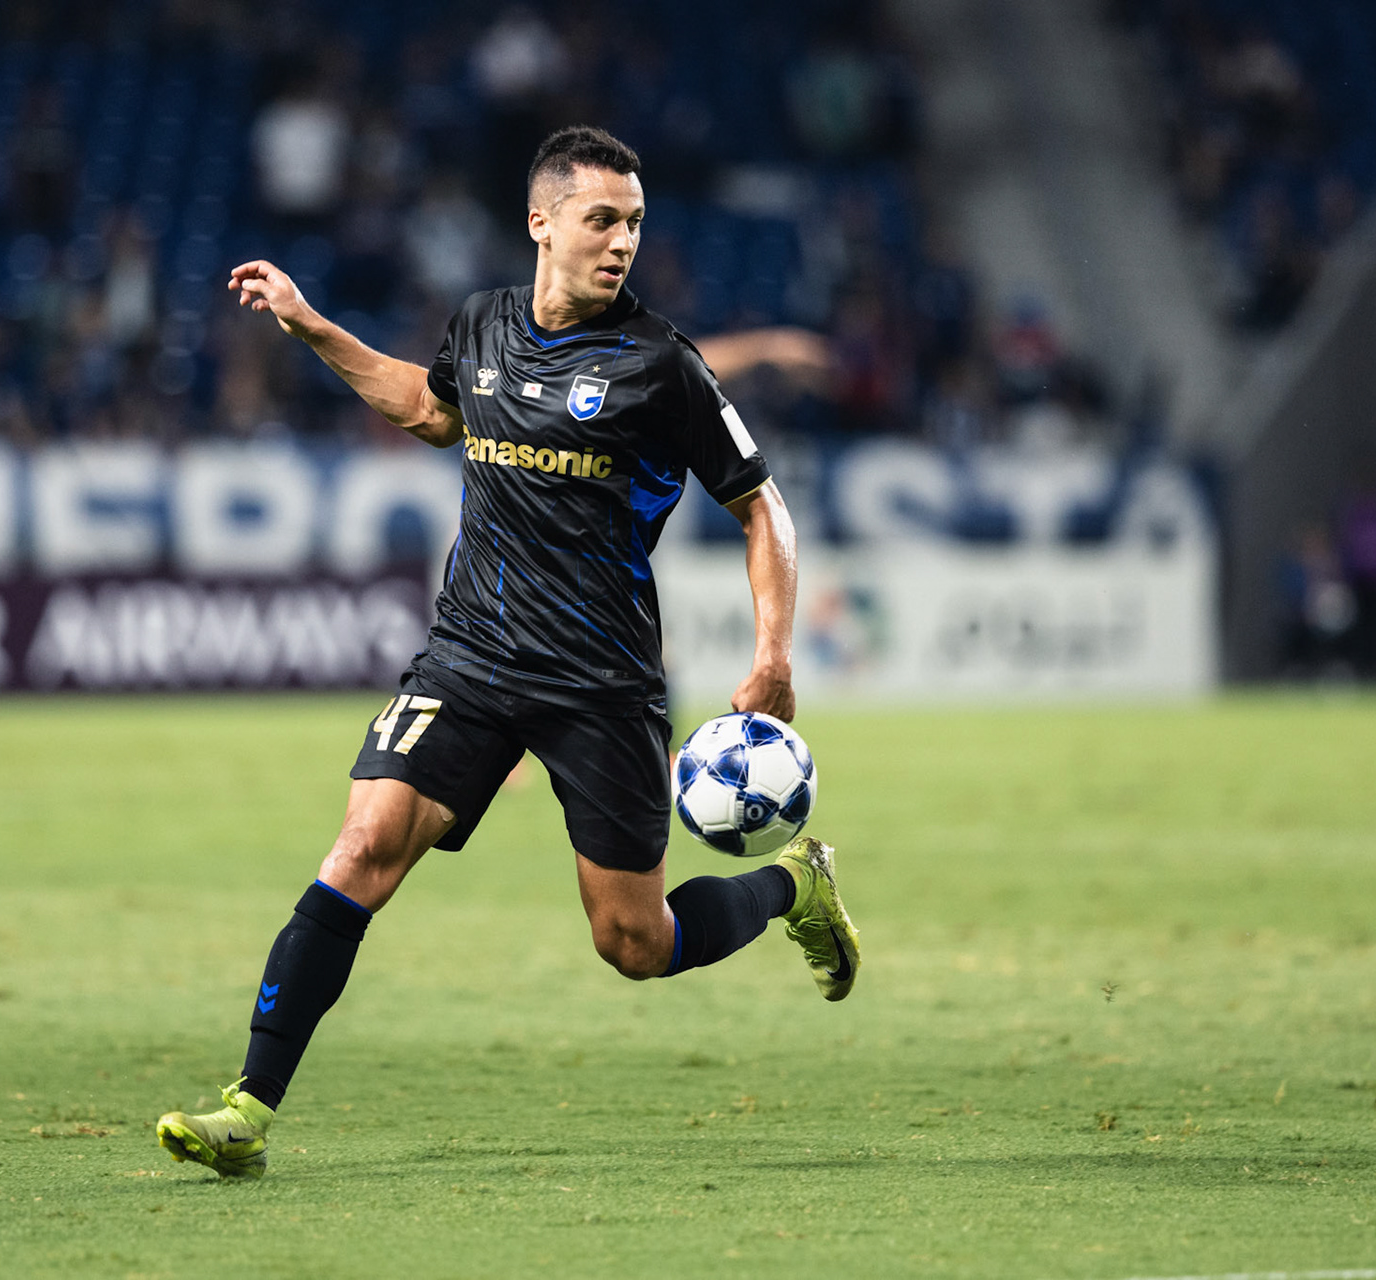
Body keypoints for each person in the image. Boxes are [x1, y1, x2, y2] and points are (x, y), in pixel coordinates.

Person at [156, 126, 861, 1180]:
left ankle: (792, 886)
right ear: (543, 221)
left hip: (600, 683)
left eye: (632, 224)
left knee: (633, 941)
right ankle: (247, 1107)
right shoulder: (481, 323)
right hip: (470, 656)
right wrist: (312, 327)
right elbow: (429, 408)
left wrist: (773, 657)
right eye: (600, 220)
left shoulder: (659, 364)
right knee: (361, 846)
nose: (620, 242)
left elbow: (764, 510)